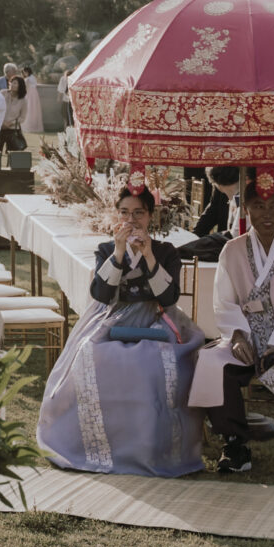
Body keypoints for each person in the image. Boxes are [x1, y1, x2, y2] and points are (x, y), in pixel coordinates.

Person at [36, 179, 205, 478]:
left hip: (156, 318)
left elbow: (168, 298)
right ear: (116, 215)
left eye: (139, 213)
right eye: (124, 212)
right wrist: (118, 251)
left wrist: (149, 255)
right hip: (112, 318)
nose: (131, 220)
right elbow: (101, 294)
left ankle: (149, 446)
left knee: (155, 364)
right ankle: (98, 443)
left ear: (151, 216)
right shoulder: (106, 249)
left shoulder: (166, 251)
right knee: (91, 355)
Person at [190, 170, 274, 483]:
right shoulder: (232, 250)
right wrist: (238, 335)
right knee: (212, 362)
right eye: (259, 206)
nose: (267, 214)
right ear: (246, 209)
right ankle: (235, 443)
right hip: (245, 339)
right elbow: (224, 302)